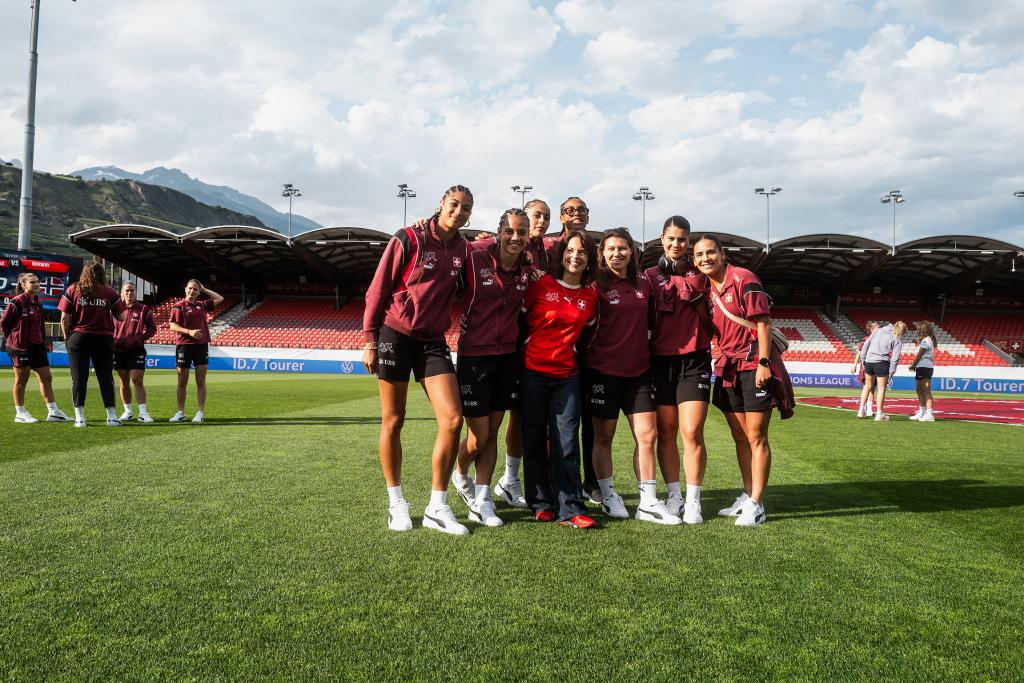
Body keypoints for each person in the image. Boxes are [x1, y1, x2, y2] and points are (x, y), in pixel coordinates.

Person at [362, 185, 473, 535]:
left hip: (432, 341)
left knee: (453, 419)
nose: (458, 211)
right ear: (441, 203)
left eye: (466, 208)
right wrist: (369, 340)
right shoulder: (408, 238)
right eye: (454, 204)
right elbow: (378, 289)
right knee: (394, 420)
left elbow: (486, 263)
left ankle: (436, 507)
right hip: (395, 334)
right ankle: (396, 503)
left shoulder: (464, 248)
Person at [586, 228, 680, 524]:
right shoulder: (594, 285)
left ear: (632, 252)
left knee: (647, 435)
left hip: (639, 372)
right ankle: (608, 495)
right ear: (602, 253)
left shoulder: (644, 284)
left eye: (622, 248)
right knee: (604, 436)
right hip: (602, 372)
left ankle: (648, 501)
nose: (617, 253)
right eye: (611, 249)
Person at [449, 209, 532, 526]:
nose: (515, 237)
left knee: (492, 433)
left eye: (521, 232)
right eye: (510, 231)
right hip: (474, 357)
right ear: (499, 232)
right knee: (478, 437)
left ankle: (483, 500)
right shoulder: (474, 257)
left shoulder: (528, 268)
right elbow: (444, 275)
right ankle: (460, 472)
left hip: (507, 357)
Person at [694, 234, 776, 526]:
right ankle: (748, 494)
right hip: (727, 368)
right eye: (699, 255)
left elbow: (763, 322)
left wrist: (764, 363)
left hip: (753, 364)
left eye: (710, 252)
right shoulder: (705, 289)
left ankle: (758, 504)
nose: (705, 258)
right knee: (739, 436)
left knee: (756, 437)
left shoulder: (743, 278)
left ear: (722, 253)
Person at [519, 232, 599, 529]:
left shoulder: (590, 296)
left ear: (589, 260)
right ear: (562, 253)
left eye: (582, 252)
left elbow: (587, 334)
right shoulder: (541, 285)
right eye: (570, 250)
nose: (575, 256)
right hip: (532, 372)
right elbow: (518, 320)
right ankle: (540, 503)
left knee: (566, 442)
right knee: (534, 439)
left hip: (567, 376)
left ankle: (571, 508)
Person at [644, 216, 715, 524]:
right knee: (666, 432)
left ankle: (694, 500)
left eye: (682, 239)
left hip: (695, 359)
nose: (676, 244)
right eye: (671, 238)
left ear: (689, 242)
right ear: (662, 239)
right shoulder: (648, 276)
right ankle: (674, 495)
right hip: (660, 361)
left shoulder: (702, 273)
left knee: (692, 432)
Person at [492, 198, 552, 508]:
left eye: (546, 216)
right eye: (536, 215)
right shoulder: (499, 245)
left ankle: (510, 479)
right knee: (492, 420)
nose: (541, 221)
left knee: (522, 415)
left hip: (535, 341)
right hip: (504, 341)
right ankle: (468, 476)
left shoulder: (550, 250)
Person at [544, 196, 599, 502]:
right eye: (569, 210)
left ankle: (591, 482)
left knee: (587, 421)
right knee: (547, 425)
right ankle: (548, 484)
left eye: (581, 210)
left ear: (588, 216)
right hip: (548, 350)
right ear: (561, 217)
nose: (576, 214)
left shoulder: (596, 249)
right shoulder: (547, 247)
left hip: (585, 350)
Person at [58, 262, 127, 427]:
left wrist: (67, 338)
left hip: (78, 338)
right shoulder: (110, 291)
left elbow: (64, 318)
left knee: (78, 379)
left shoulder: (72, 289)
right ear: (102, 274)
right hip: (103, 338)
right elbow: (121, 317)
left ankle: (80, 418)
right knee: (106, 377)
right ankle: (111, 417)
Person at [1, 273, 70, 423]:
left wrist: (42, 341)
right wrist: (12, 338)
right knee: (22, 379)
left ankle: (53, 412)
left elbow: (40, 326)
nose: (36, 284)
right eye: (32, 282)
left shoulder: (38, 303)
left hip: (38, 345)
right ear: (23, 285)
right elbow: (4, 323)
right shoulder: (17, 301)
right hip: (21, 347)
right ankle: (20, 413)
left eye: (38, 281)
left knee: (47, 377)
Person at [166, 279, 224, 423]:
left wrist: (204, 289)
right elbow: (172, 326)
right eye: (190, 288)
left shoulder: (202, 305)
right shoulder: (178, 306)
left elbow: (219, 299)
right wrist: (189, 332)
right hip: (184, 346)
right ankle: (180, 412)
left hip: (201, 346)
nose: (192, 291)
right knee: (182, 381)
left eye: (196, 289)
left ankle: (200, 413)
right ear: (185, 289)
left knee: (201, 380)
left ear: (198, 292)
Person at [113, 281, 157, 422]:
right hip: (118, 350)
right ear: (122, 293)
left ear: (136, 292)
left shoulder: (143, 309)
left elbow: (152, 328)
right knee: (123, 380)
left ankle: (143, 413)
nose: (129, 293)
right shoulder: (115, 309)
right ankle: (128, 411)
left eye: (132, 290)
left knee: (137, 379)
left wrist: (140, 338)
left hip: (136, 350)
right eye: (127, 290)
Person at [858, 320, 907, 422]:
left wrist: (863, 359)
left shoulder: (878, 331)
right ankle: (879, 414)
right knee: (881, 388)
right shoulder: (896, 339)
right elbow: (895, 359)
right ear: (901, 331)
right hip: (882, 363)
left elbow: (866, 343)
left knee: (867, 386)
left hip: (869, 361)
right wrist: (891, 373)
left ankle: (861, 410)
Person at [908, 321, 936, 422]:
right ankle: (922, 412)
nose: (917, 330)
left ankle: (929, 414)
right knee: (919, 390)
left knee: (925, 390)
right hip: (922, 367)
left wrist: (913, 365)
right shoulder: (927, 340)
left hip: (924, 367)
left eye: (918, 329)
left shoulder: (925, 340)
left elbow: (919, 355)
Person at [851, 322, 879, 417]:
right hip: (866, 366)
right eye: (877, 328)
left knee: (872, 388)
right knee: (867, 387)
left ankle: (869, 410)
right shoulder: (866, 340)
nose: (879, 330)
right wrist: (854, 365)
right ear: (872, 329)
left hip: (875, 366)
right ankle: (862, 408)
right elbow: (860, 353)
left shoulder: (878, 340)